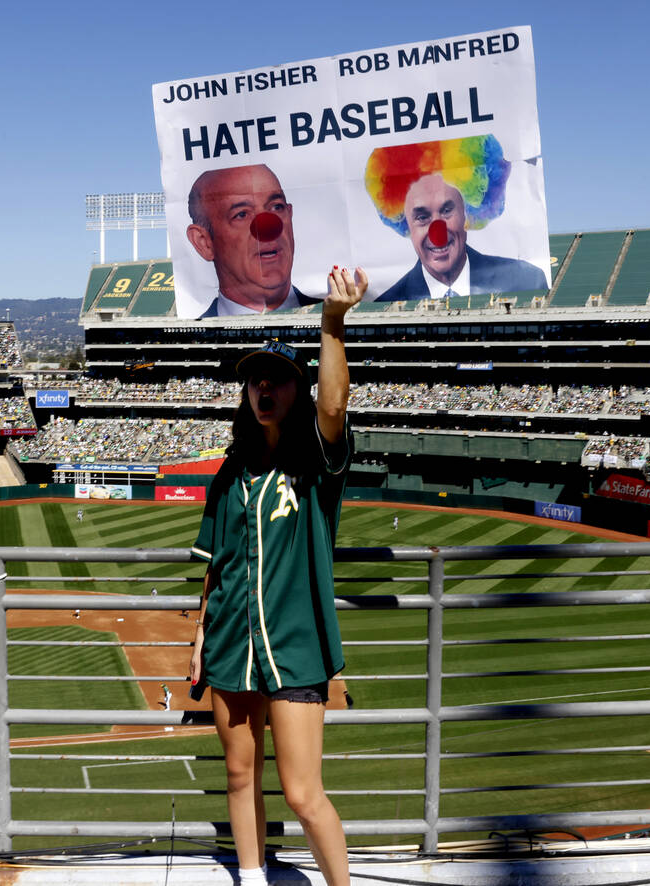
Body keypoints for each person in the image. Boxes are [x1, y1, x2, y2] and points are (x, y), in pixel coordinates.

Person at [189, 266, 365, 885]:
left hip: (294, 648)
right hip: (232, 645)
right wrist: (200, 640)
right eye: (255, 382)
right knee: (240, 775)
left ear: (298, 390)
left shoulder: (316, 462)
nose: (265, 389)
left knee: (301, 792)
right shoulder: (230, 474)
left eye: (279, 381)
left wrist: (333, 324)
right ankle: (252, 876)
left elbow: (336, 405)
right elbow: (217, 568)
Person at [365, 136, 547, 303]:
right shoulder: (387, 302)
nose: (438, 232)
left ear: (467, 211)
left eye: (446, 210)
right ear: (405, 223)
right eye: (422, 217)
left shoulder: (526, 282)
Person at [186, 164, 321, 317]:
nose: (268, 227)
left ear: (290, 215)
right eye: (242, 214)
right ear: (204, 242)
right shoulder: (196, 335)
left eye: (277, 207)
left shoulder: (331, 315)